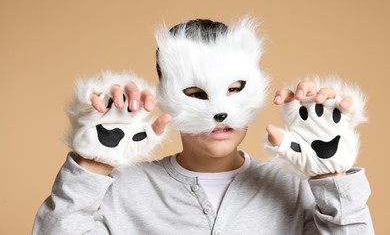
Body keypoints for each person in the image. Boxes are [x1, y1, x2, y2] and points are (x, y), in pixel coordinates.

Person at [33, 17, 374, 234]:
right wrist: (93, 163)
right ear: (166, 96)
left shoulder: (292, 188)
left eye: (234, 90)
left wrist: (331, 178)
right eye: (196, 94)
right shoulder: (123, 190)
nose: (219, 111)